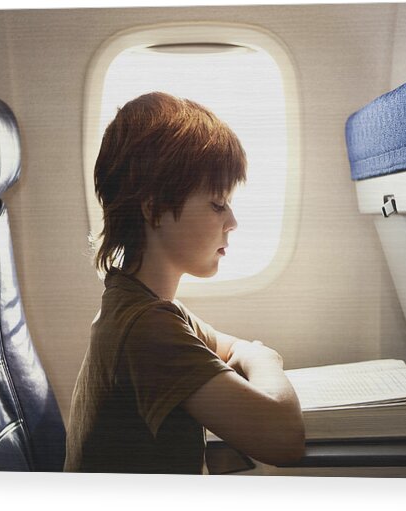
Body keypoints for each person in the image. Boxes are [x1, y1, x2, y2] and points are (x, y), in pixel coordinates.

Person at [64, 92, 305, 474]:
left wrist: (246, 353)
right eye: (217, 204)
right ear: (155, 207)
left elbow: (227, 347)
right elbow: (284, 438)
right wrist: (264, 358)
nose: (233, 222)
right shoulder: (147, 328)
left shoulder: (143, 305)